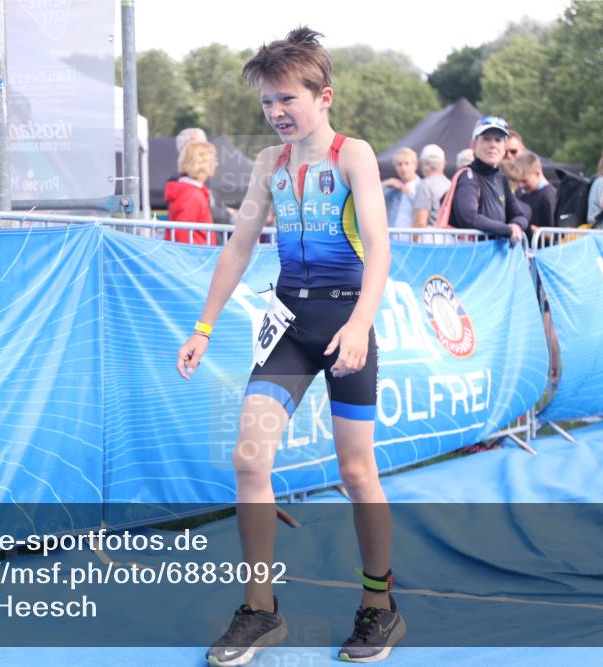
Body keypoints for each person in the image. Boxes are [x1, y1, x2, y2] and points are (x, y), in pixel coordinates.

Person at [175, 27, 402, 665]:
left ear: (322, 97)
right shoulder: (268, 166)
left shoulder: (353, 154)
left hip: (345, 328)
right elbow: (240, 247)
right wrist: (204, 327)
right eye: (266, 103)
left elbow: (380, 248)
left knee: (357, 472)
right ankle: (260, 610)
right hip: (291, 332)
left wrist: (359, 324)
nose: (276, 112)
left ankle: (379, 606)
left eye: (286, 99)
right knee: (250, 459)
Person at [448, 116, 528, 245]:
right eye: (486, 139)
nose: (493, 145)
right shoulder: (468, 177)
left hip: (494, 259)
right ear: (473, 146)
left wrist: (516, 225)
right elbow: (469, 218)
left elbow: (520, 215)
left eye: (498, 140)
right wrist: (507, 230)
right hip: (472, 258)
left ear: (504, 147)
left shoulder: (501, 178)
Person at [165, 141, 218, 245]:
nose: (216, 164)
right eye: (213, 159)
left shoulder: (189, 191)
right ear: (202, 163)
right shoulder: (193, 195)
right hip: (194, 257)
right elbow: (182, 235)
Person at [514, 153, 557, 232]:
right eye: (518, 181)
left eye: (524, 181)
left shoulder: (549, 196)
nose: (520, 185)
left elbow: (555, 234)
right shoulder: (523, 195)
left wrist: (538, 232)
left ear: (537, 174)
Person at [412, 144, 450, 227]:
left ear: (422, 162)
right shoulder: (450, 184)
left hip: (430, 236)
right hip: (449, 236)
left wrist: (413, 240)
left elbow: (420, 222)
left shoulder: (425, 185)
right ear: (443, 163)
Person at [381, 147, 420, 228]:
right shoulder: (392, 187)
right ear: (395, 167)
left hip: (412, 237)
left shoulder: (422, 186)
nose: (403, 168)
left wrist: (409, 193)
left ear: (415, 164)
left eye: (407, 163)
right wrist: (384, 184)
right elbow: (373, 198)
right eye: (399, 164)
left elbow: (422, 212)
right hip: (393, 237)